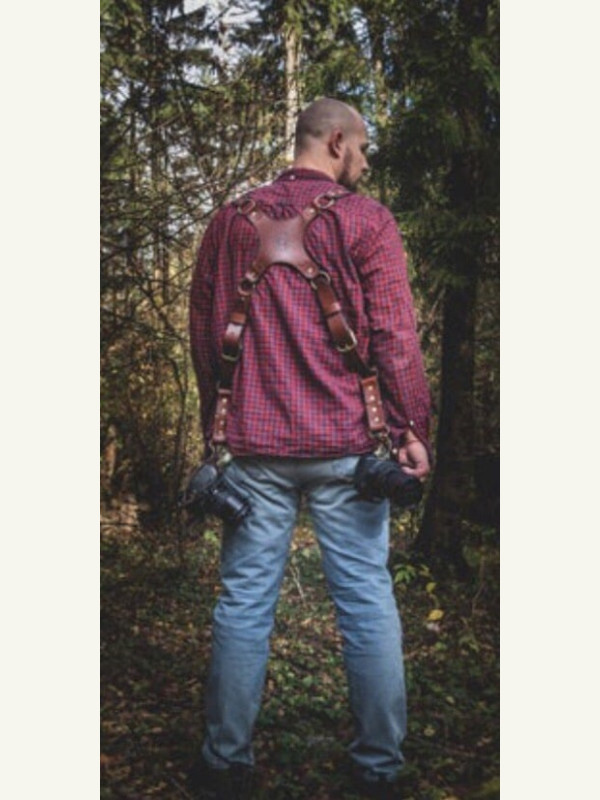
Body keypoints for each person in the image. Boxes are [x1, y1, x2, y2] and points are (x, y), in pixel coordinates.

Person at [188, 97, 431, 800]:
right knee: (366, 602)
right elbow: (395, 336)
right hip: (350, 448)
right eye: (362, 148)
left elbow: (205, 332)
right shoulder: (367, 221)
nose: (365, 162)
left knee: (243, 604)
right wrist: (411, 428)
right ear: (335, 141)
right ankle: (378, 771)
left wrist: (215, 426)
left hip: (255, 449)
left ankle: (224, 765)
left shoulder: (230, 222)